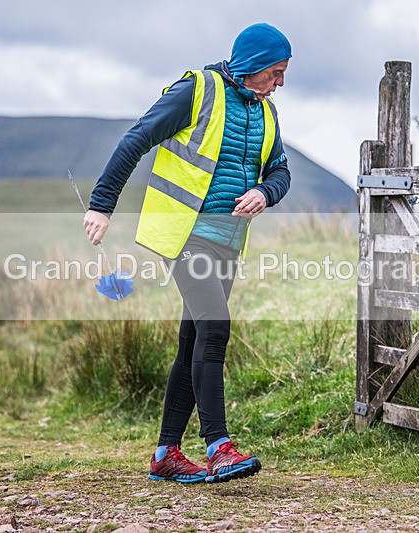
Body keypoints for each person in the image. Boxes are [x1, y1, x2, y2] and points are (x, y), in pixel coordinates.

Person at [83, 23, 292, 484]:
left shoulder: (267, 113)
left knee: (194, 339)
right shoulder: (196, 90)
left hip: (229, 240)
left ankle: (166, 454)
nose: (279, 83)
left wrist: (265, 192)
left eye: (282, 74)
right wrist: (102, 204)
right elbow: (135, 140)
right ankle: (218, 446)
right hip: (183, 234)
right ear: (253, 66)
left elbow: (281, 171)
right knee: (215, 328)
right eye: (274, 72)